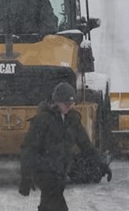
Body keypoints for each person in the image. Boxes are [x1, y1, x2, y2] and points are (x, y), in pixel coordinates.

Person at [19, 81, 112, 211]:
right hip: (44, 171)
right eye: (66, 104)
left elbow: (86, 145)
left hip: (61, 171)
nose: (69, 107)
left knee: (48, 205)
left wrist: (101, 163)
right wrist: (26, 176)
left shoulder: (72, 119)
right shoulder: (43, 120)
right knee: (56, 203)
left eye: (72, 104)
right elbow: (29, 148)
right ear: (57, 102)